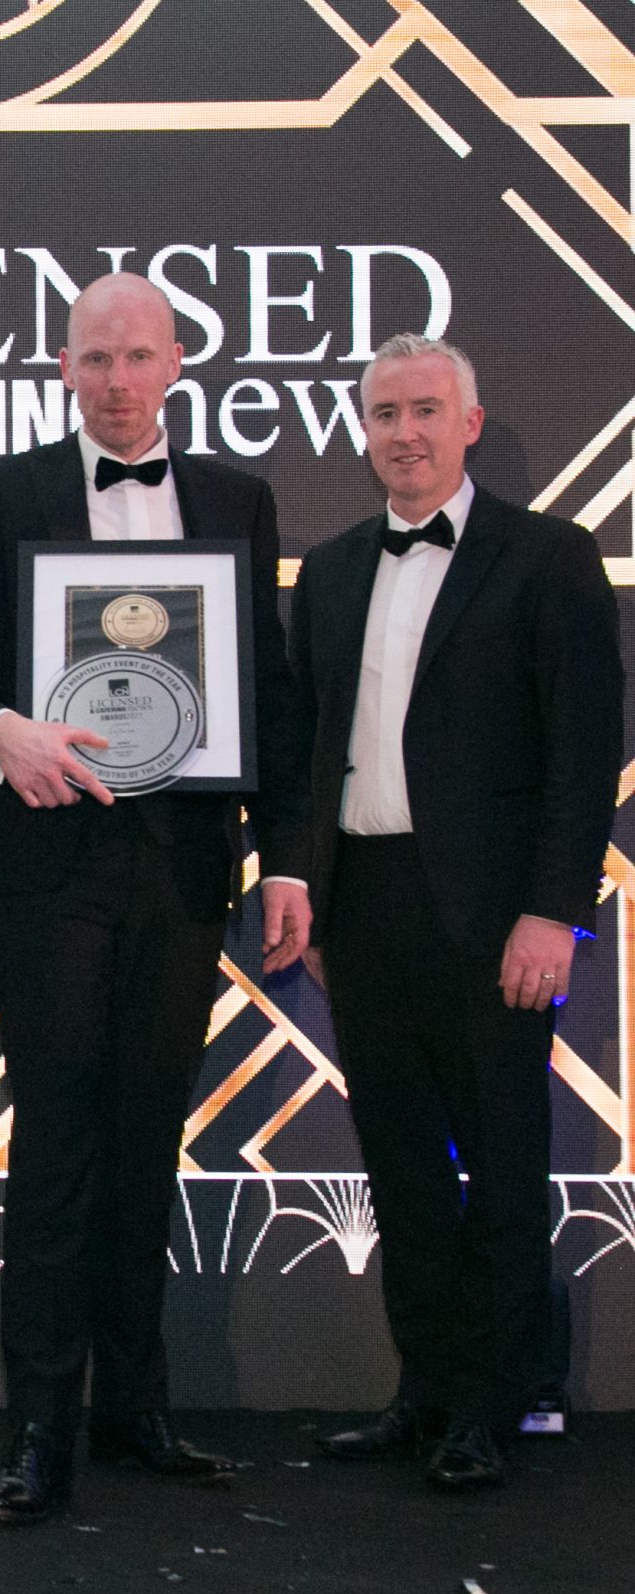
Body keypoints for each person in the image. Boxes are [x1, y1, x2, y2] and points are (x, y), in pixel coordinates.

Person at [0, 274, 309, 1525]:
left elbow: (265, 691)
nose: (118, 380)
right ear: (63, 367)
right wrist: (1, 732)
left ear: (176, 362)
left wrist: (285, 856)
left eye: (138, 356)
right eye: (95, 358)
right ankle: (38, 1427)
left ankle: (133, 1409)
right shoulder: (9, 490)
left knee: (147, 1138)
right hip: (50, 865)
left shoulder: (238, 502)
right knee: (56, 1144)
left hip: (183, 867)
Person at [289, 335, 620, 1492]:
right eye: (384, 414)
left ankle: (492, 1401)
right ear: (363, 431)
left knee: (502, 1159)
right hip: (364, 909)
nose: (404, 433)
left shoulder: (549, 557)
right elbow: (309, 751)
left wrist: (551, 914)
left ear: (469, 423)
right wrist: (311, 897)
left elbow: (583, 756)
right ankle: (424, 1391)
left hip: (493, 918)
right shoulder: (329, 569)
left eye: (425, 410)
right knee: (401, 1168)